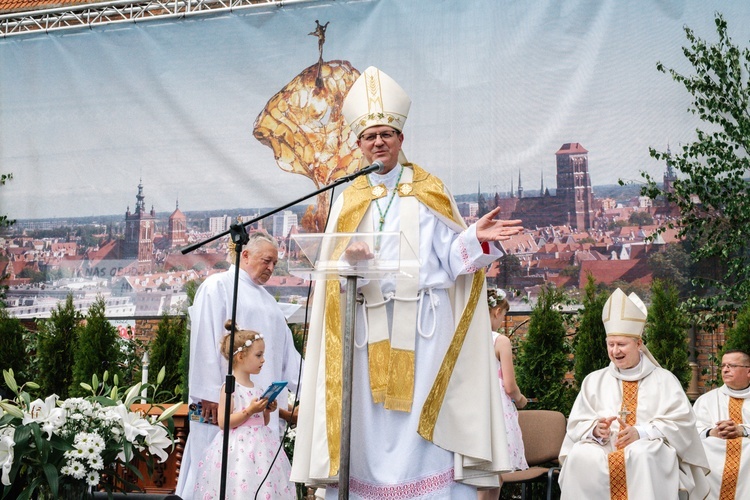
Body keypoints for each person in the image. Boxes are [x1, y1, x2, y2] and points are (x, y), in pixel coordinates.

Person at [291, 66, 523, 498]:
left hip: (423, 327)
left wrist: (474, 239)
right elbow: (331, 271)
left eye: (386, 133)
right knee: (369, 418)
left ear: (400, 138)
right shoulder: (347, 196)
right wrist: (350, 261)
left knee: (420, 414)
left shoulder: (428, 188)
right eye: (370, 136)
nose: (378, 141)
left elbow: (452, 261)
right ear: (359, 144)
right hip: (365, 327)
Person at [176, 231, 302, 499]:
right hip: (219, 407)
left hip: (259, 417)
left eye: (274, 264)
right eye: (266, 260)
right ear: (244, 254)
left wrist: (305, 390)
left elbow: (287, 355)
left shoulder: (270, 303)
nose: (270, 268)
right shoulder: (217, 286)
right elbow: (204, 341)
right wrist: (209, 395)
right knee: (211, 476)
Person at [558, 288, 709, 500]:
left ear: (638, 344)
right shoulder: (594, 380)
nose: (615, 351)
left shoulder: (664, 379)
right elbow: (576, 424)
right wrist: (595, 429)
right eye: (611, 344)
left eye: (621, 344)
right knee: (581, 456)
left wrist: (641, 432)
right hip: (604, 446)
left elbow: (682, 423)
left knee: (642, 453)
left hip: (649, 446)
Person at [194, 321, 296, 499]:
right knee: (241, 483)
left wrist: (266, 411)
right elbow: (223, 422)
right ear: (240, 357)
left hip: (261, 446)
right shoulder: (230, 387)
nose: (263, 360)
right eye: (258, 355)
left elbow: (261, 422)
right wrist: (249, 410)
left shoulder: (256, 387)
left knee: (263, 485)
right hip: (238, 448)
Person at [478, 289, 528, 500]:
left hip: (475, 408)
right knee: (495, 474)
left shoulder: (465, 338)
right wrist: (520, 399)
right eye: (504, 316)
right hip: (497, 410)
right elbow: (509, 385)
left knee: (478, 475)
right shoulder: (500, 341)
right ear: (497, 311)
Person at [693, 349, 750, 500]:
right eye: (723, 365)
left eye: (731, 366)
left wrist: (742, 430)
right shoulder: (706, 400)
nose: (725, 369)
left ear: (748, 371)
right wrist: (712, 432)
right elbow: (692, 430)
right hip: (713, 452)